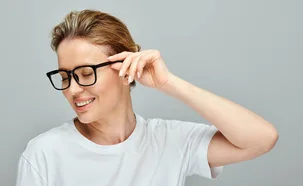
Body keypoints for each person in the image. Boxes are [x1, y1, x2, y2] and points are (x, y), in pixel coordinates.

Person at [16, 9, 279, 186]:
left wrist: (168, 83)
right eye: (65, 77)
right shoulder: (44, 154)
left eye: (85, 74)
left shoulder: (169, 141)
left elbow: (262, 139)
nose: (72, 90)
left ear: (124, 68)